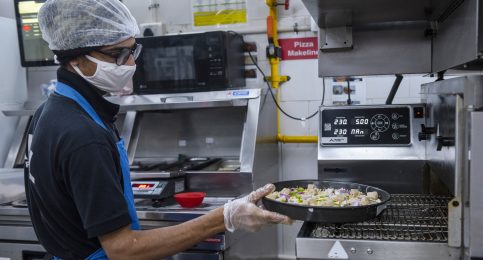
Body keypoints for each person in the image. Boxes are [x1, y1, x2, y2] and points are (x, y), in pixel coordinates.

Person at [24, 0, 292, 259]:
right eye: (118, 54)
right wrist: (224, 217)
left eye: (132, 51)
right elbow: (124, 249)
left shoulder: (47, 113)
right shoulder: (83, 136)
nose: (130, 64)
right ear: (76, 58)